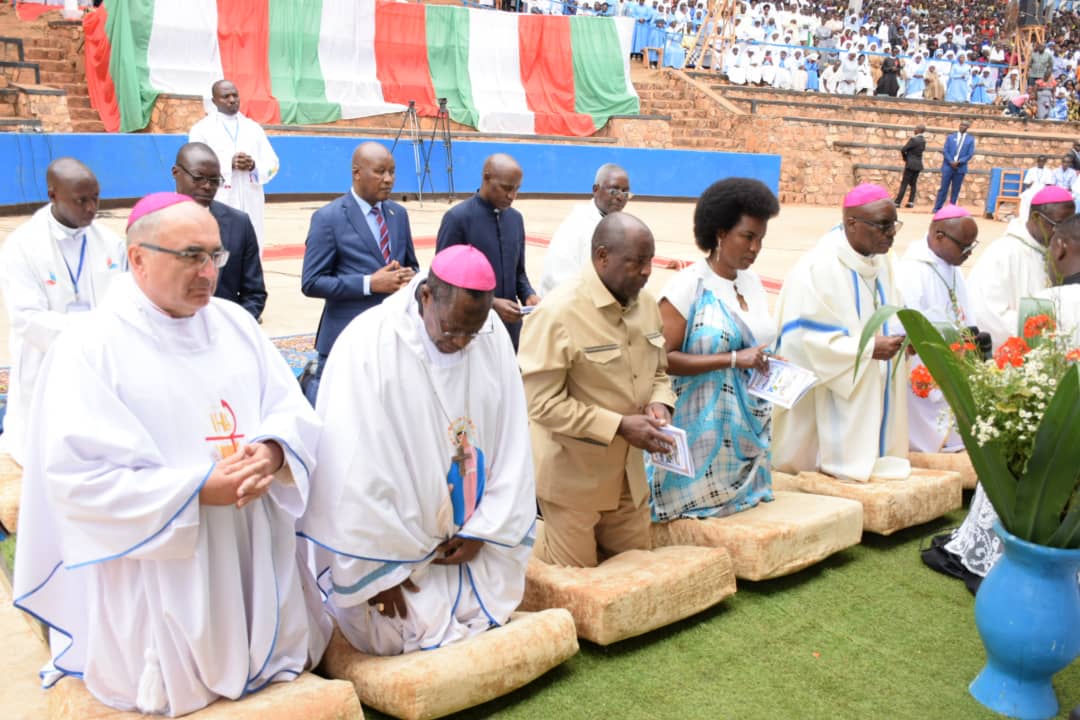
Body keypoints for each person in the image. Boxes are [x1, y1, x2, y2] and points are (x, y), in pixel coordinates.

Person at [12, 193, 328, 716]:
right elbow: (77, 479)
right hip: (158, 565)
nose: (208, 272)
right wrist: (198, 489)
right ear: (137, 258)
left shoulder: (234, 324)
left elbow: (291, 409)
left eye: (215, 256)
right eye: (191, 256)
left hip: (248, 536)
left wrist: (273, 451)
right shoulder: (89, 347)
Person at [298, 246, 535, 655]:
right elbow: (352, 468)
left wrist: (485, 529)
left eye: (470, 334)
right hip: (393, 550)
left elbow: (512, 437)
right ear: (425, 296)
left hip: (469, 539)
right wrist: (377, 575)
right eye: (449, 330)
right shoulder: (370, 342)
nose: (460, 343)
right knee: (397, 629)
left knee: (483, 606)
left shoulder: (489, 334)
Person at [520, 213, 676, 568]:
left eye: (650, 261)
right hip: (573, 483)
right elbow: (541, 405)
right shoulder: (557, 313)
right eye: (636, 261)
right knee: (577, 589)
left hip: (629, 480)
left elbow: (660, 373)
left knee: (635, 582)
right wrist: (619, 425)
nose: (646, 271)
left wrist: (660, 404)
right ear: (602, 256)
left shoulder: (647, 305)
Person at [651, 179, 779, 522]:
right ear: (720, 233)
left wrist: (769, 360)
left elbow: (755, 343)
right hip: (699, 432)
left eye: (761, 240)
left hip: (747, 426)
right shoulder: (688, 285)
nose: (755, 248)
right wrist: (734, 359)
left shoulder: (751, 283)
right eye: (748, 236)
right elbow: (662, 359)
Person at [772, 183, 909, 482]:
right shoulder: (818, 267)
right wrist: (868, 348)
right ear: (851, 223)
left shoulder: (884, 260)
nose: (891, 234)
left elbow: (895, 309)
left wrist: (904, 338)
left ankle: (871, 456)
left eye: (894, 224)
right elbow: (805, 341)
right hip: (826, 384)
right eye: (882, 226)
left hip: (874, 375)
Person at [0, 158, 126, 466]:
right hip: (47, 365)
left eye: (96, 198)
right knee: (47, 457)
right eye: (81, 200)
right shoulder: (22, 247)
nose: (91, 208)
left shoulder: (109, 242)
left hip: (100, 366)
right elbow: (27, 318)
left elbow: (124, 300)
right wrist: (90, 333)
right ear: (53, 195)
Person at [300, 142, 418, 404]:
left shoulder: (398, 214)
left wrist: (410, 278)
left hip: (392, 338)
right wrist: (369, 284)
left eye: (392, 172)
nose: (388, 179)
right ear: (357, 173)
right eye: (380, 172)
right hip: (345, 339)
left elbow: (412, 263)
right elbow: (311, 282)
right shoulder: (328, 218)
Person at [896, 205, 978, 453]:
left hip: (953, 360)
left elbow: (964, 312)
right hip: (924, 363)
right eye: (964, 247)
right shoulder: (911, 270)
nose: (968, 254)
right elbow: (906, 326)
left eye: (972, 247)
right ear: (939, 235)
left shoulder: (952, 267)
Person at [436, 154, 539, 350]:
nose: (512, 196)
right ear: (486, 177)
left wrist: (528, 295)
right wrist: (491, 304)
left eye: (517, 189)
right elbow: (442, 284)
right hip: (470, 329)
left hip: (509, 330)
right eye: (506, 188)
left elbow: (519, 274)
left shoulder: (515, 219)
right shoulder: (457, 219)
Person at [967, 185, 1075, 349]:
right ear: (1036, 217)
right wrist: (1044, 330)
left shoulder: (1062, 250)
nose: (1063, 233)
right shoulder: (1002, 253)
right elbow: (987, 315)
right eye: (1059, 225)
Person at [172, 142, 267, 320]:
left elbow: (254, 294)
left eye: (215, 180)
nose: (208, 186)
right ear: (176, 173)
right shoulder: (153, 222)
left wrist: (233, 329)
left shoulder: (239, 224)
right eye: (199, 178)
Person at [189, 80, 279, 253]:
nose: (232, 100)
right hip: (221, 199)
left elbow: (273, 164)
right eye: (225, 96)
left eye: (235, 95)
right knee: (221, 249)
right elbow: (195, 166)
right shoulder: (201, 130)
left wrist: (253, 165)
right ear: (214, 101)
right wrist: (227, 164)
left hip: (251, 200)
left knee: (252, 250)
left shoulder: (253, 129)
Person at [540, 164, 631, 296]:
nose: (621, 197)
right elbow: (560, 285)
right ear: (595, 190)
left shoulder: (614, 224)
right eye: (614, 191)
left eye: (625, 192)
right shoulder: (578, 226)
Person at [932, 121, 976, 212]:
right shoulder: (951, 137)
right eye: (961, 125)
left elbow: (969, 154)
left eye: (964, 125)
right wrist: (951, 161)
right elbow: (945, 150)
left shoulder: (970, 139)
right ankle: (937, 208)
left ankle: (951, 209)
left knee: (955, 190)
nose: (962, 127)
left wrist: (959, 162)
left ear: (968, 127)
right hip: (948, 166)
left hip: (960, 168)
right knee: (943, 188)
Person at [895, 124, 927, 208]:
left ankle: (897, 202)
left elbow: (903, 149)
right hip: (918, 165)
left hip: (910, 164)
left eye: (916, 128)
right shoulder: (923, 141)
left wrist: (905, 158)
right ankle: (911, 202)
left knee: (904, 183)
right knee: (913, 183)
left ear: (919, 130)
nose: (914, 130)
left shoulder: (913, 140)